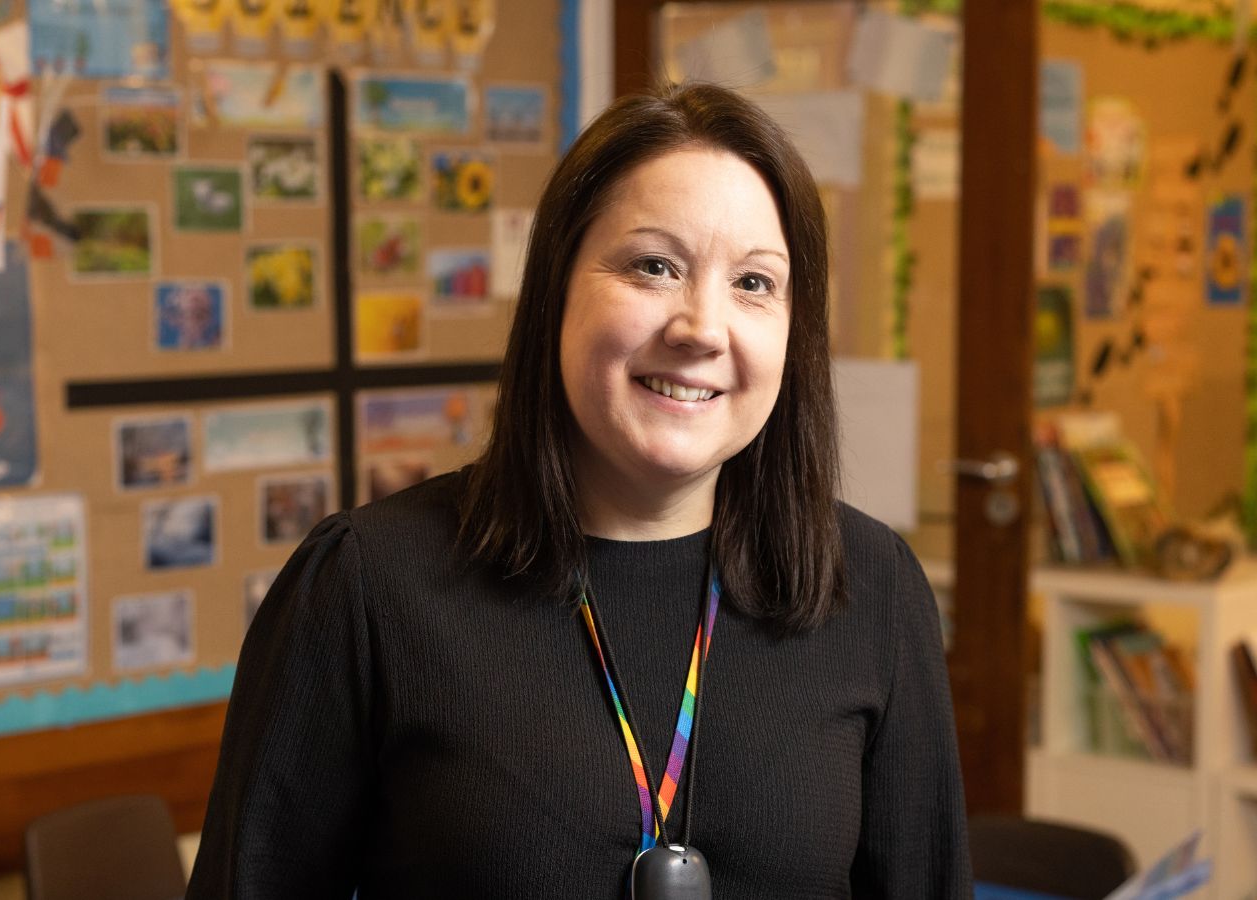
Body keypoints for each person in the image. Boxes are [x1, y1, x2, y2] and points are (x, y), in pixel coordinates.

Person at [187, 82, 970, 898]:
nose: (701, 327)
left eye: (753, 283)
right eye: (654, 266)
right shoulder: (365, 586)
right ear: (556, 289)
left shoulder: (872, 588)